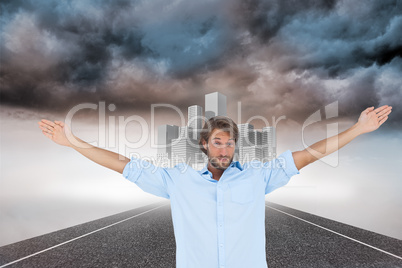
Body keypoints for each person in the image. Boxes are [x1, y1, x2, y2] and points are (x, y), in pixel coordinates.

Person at [38, 105, 392, 268]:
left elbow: (309, 154)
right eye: (218, 142)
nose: (225, 149)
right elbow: (122, 164)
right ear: (204, 145)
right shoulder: (177, 180)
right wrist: (74, 143)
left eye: (230, 143)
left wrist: (358, 130)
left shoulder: (258, 176)